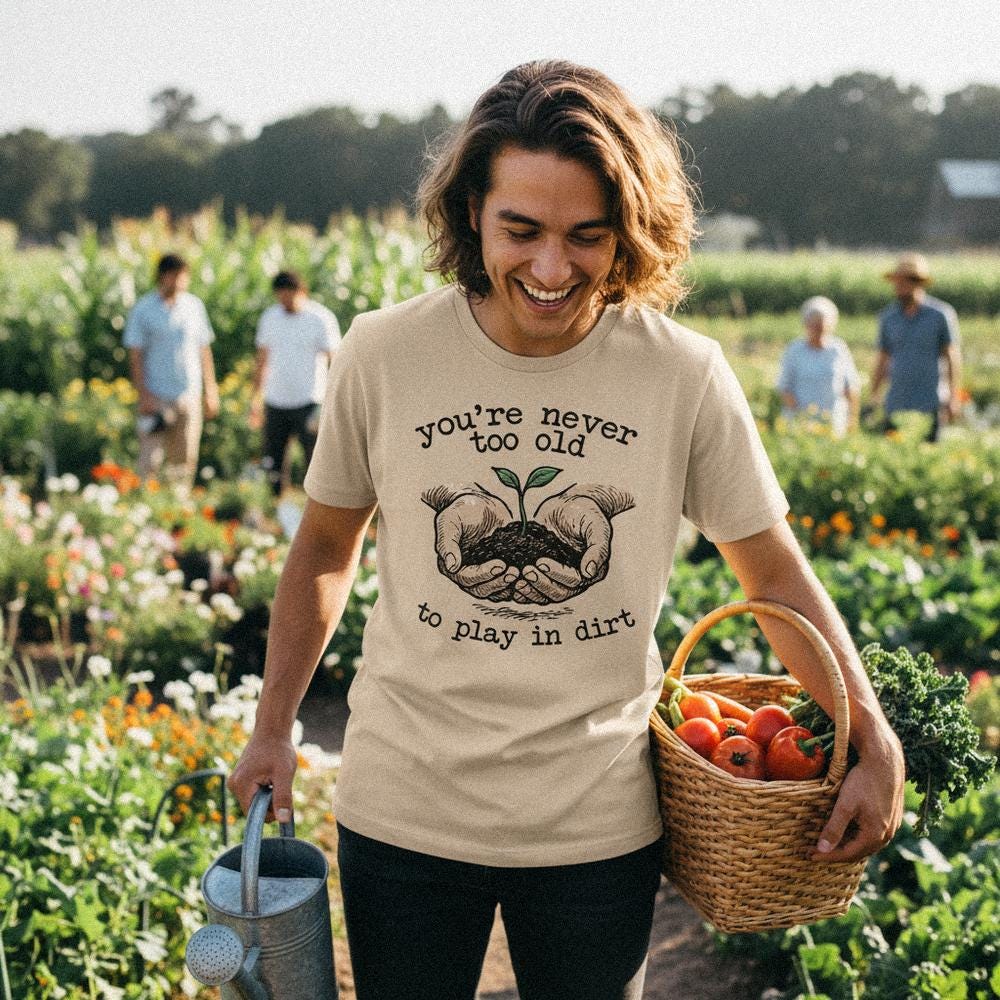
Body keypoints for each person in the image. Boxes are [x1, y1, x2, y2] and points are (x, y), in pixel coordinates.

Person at [228, 61, 904, 1000]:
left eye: (588, 236)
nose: (551, 271)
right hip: (405, 809)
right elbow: (324, 550)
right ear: (472, 212)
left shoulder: (683, 375)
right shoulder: (384, 353)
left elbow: (772, 573)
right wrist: (272, 728)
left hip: (598, 824)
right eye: (522, 231)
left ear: (629, 230)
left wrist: (868, 730)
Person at [123, 253, 219, 487]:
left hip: (188, 393)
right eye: (174, 275)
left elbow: (204, 350)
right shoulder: (144, 310)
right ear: (162, 277)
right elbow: (136, 356)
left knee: (184, 459)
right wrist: (143, 395)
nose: (179, 281)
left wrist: (211, 389)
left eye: (183, 276)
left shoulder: (194, 306)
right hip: (156, 395)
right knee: (150, 459)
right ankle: (148, 506)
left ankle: (178, 509)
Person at [250, 271, 341, 497]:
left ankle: (316, 504)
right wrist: (255, 398)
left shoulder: (320, 318)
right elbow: (262, 360)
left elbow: (335, 360)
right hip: (276, 399)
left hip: (309, 400)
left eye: (289, 296)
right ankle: (276, 504)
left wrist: (331, 399)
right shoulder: (270, 318)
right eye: (281, 296)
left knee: (315, 459)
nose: (285, 301)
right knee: (274, 460)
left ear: (302, 292)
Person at [870, 252, 961, 443]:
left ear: (917, 283)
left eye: (903, 283)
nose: (898, 287)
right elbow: (883, 359)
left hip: (929, 402)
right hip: (896, 402)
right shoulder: (888, 318)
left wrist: (954, 397)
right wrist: (874, 395)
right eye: (896, 283)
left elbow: (951, 356)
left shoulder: (940, 315)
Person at [777, 295, 859, 436]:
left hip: (833, 422)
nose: (819, 331)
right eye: (815, 327)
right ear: (806, 325)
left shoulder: (838, 349)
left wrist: (852, 419)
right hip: (800, 424)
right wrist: (801, 417)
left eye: (822, 327)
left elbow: (851, 386)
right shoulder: (795, 350)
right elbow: (784, 387)